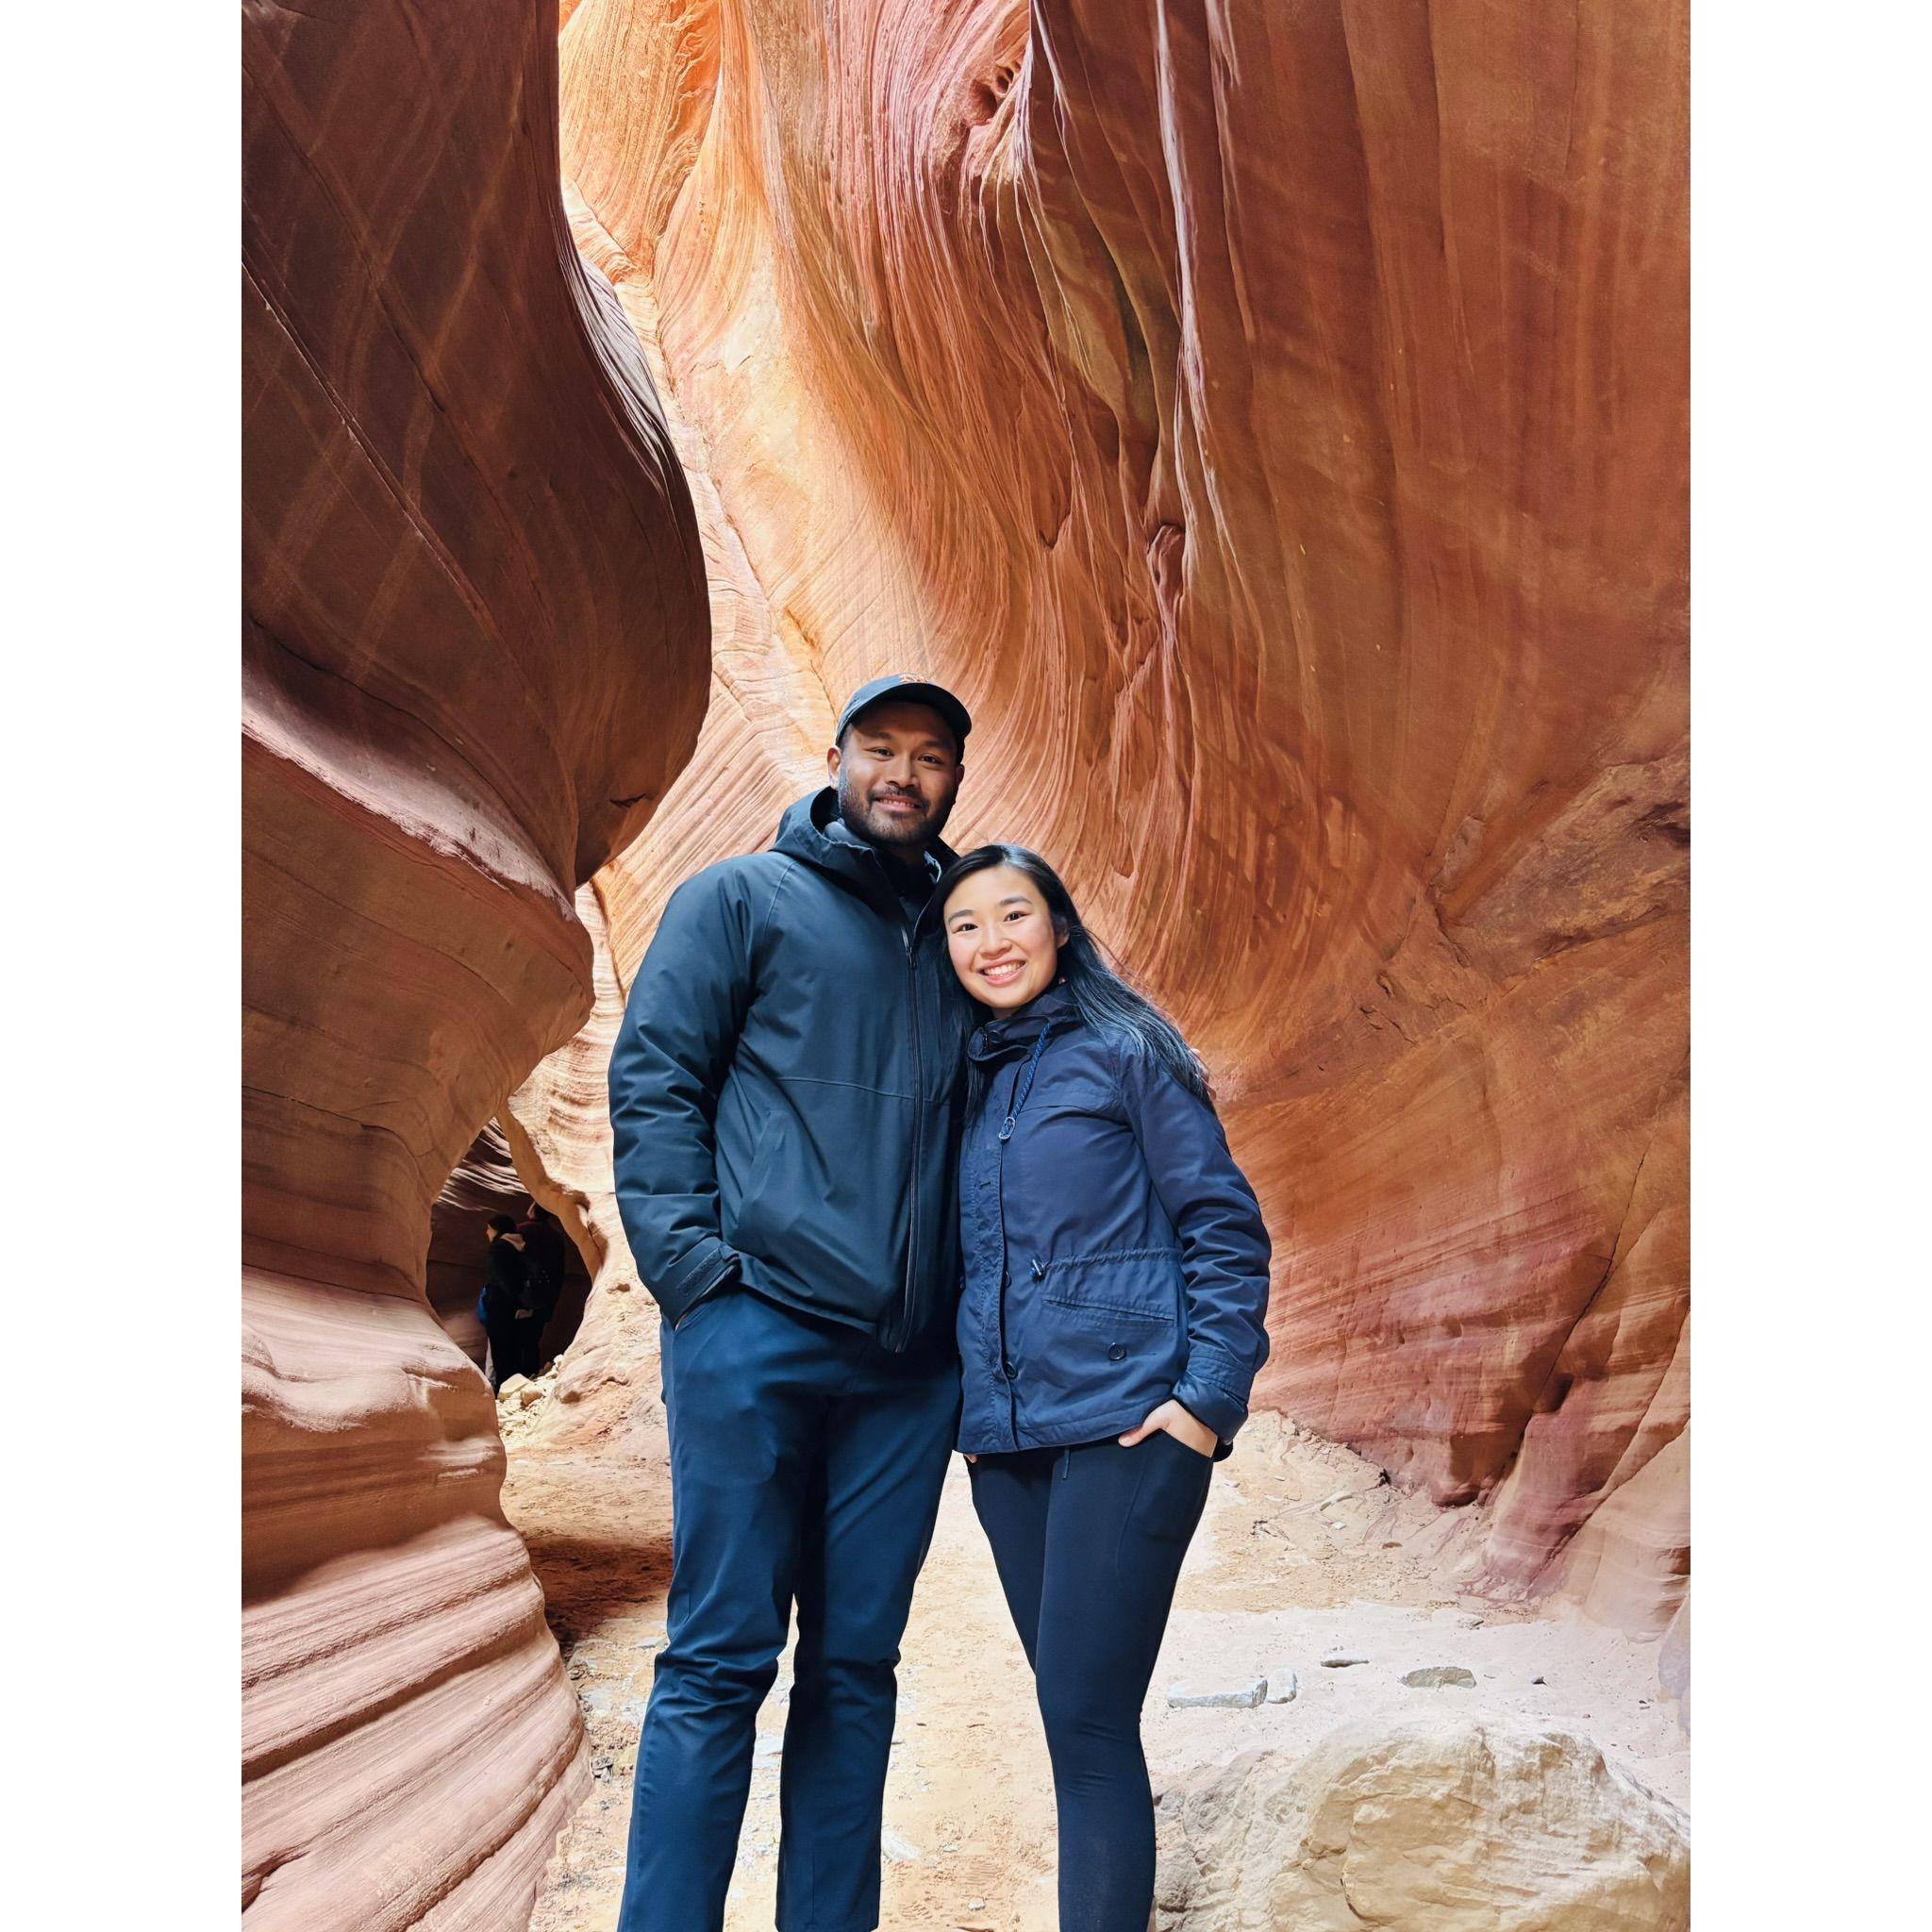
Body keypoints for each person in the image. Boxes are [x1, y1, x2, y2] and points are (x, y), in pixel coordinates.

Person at [608, 674, 978, 1932]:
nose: (904, 774)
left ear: (953, 782)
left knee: (855, 1673)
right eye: (883, 747)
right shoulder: (739, 900)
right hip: (752, 1334)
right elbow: (656, 1078)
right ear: (837, 758)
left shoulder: (967, 937)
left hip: (908, 1370)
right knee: (718, 1661)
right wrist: (695, 1283)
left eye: (931, 757)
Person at [936, 842, 1273, 1932]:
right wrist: (976, 1422)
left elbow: (1220, 1223)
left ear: (1061, 927)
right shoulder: (969, 1084)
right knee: (1075, 1717)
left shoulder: (1126, 1051)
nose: (991, 941)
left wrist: (1204, 1402)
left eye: (1012, 913)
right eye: (964, 924)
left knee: (1084, 1722)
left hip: (1129, 1428)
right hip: (1008, 1444)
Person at [475, 1212, 539, 1392]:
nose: (487, 1232)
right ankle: (515, 1387)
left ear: (496, 1229)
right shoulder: (521, 1246)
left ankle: (502, 1390)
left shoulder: (499, 1248)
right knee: (514, 1347)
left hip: (500, 1306)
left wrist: (498, 1301)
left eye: (489, 1228)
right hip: (517, 1307)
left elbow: (502, 1279)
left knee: (500, 1351)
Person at [517, 1201, 569, 1368]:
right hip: (544, 1297)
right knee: (532, 1340)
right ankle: (530, 1376)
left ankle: (510, 1381)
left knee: (512, 1341)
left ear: (532, 1210)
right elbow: (558, 1271)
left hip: (519, 1296)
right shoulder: (556, 1236)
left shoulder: (520, 1231)